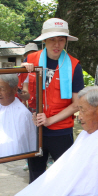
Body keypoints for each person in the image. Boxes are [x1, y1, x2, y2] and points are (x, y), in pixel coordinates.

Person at [21, 18, 84, 183]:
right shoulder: (31, 60)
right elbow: (24, 94)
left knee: (66, 176)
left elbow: (77, 104)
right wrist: (23, 72)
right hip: (35, 129)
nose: (56, 44)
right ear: (44, 41)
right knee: (35, 176)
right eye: (52, 40)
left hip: (61, 130)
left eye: (61, 40)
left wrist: (50, 120)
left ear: (66, 41)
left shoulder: (74, 65)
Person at [18, 42, 40, 110]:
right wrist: (24, 101)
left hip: (42, 104)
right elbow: (23, 86)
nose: (32, 56)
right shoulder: (23, 70)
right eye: (29, 54)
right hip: (31, 104)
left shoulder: (42, 67)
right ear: (25, 56)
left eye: (34, 54)